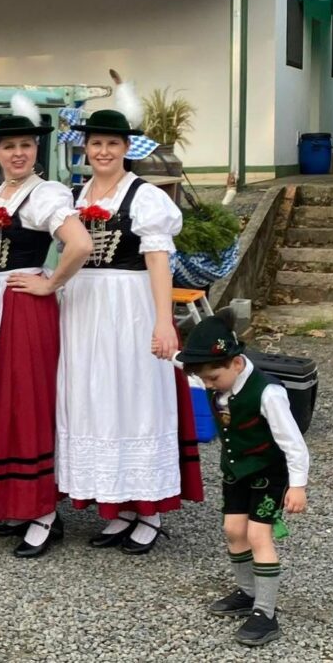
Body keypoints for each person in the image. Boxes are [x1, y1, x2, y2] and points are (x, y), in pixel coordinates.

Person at [55, 89, 202, 556]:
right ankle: (117, 504)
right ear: (86, 147)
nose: (102, 152)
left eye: (112, 145)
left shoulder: (145, 197)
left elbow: (159, 263)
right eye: (96, 144)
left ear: (126, 149)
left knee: (134, 394)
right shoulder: (81, 193)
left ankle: (149, 508)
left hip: (128, 304)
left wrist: (165, 323)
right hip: (86, 305)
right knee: (96, 397)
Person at [0, 95, 92, 557]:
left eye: (25, 145)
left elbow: (78, 244)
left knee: (27, 401)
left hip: (21, 304)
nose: (17, 153)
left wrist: (50, 283)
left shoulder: (48, 194)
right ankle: (11, 503)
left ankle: (43, 512)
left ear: (37, 150)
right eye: (7, 146)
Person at [177, 316, 309, 647]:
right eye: (203, 379)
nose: (207, 384)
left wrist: (297, 485)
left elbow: (293, 442)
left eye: (212, 378)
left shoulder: (268, 393)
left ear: (236, 363)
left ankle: (265, 614)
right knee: (233, 531)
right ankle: (248, 593)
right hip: (236, 472)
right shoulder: (216, 378)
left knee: (257, 535)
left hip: (268, 474)